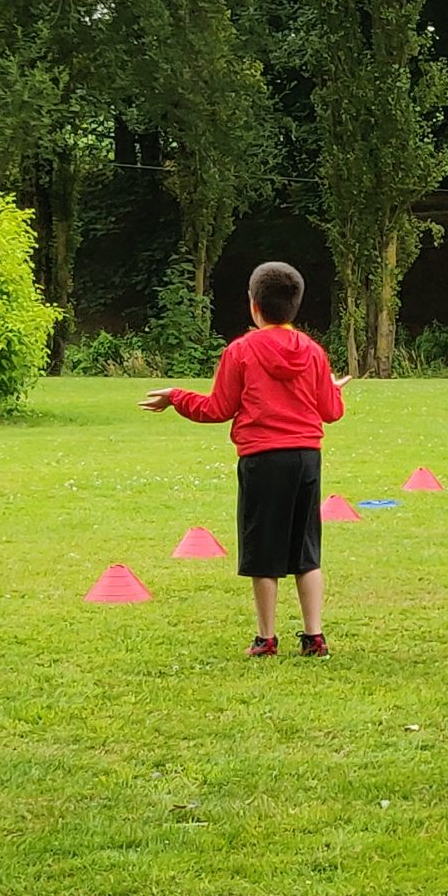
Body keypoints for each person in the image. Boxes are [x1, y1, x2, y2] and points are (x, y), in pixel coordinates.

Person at [142, 262, 351, 657]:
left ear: (253, 304)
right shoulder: (313, 352)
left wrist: (176, 397)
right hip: (306, 459)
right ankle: (314, 637)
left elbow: (217, 408)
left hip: (262, 460)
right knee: (306, 549)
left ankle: (266, 638)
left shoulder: (240, 351)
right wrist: (332, 388)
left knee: (264, 551)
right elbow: (330, 411)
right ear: (296, 304)